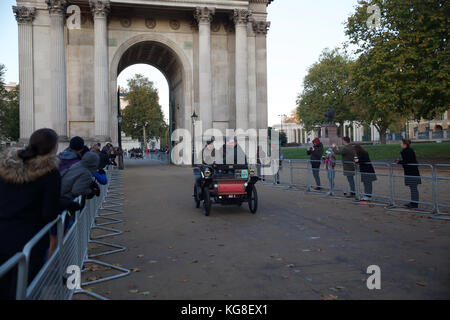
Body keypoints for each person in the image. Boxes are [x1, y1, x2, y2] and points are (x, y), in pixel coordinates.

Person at [0, 128, 61, 300]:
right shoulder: (50, 173)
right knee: (27, 289)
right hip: (28, 239)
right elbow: (49, 213)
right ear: (53, 147)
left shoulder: (6, 168)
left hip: (2, 233)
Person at [396, 139, 421, 208]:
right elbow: (408, 160)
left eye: (401, 143)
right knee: (413, 188)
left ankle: (414, 204)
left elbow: (407, 161)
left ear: (405, 144)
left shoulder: (406, 151)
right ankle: (414, 202)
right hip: (413, 171)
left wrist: (399, 162)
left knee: (413, 188)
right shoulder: (410, 150)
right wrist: (401, 161)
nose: (400, 144)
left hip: (411, 172)